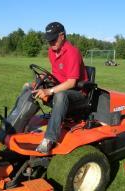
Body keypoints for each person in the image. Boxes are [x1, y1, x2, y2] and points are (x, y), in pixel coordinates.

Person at [33, 22, 88, 154]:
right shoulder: (52, 52)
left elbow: (71, 83)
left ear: (62, 36)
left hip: (79, 94)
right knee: (30, 87)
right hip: (62, 88)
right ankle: (15, 123)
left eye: (53, 40)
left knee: (60, 95)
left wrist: (49, 90)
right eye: (49, 41)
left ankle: (49, 139)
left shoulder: (72, 52)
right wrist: (44, 77)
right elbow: (57, 75)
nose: (51, 44)